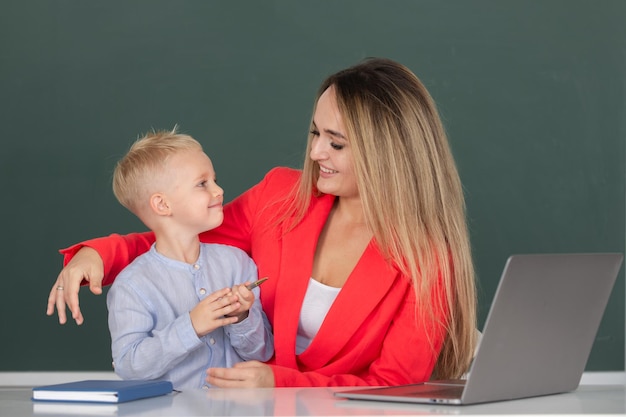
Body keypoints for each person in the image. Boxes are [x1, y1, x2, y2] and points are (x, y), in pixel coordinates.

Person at [47, 57, 477, 387]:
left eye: (336, 143)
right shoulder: (279, 196)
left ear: (388, 153)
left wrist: (282, 383)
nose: (314, 154)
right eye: (314, 134)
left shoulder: (429, 259)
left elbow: (392, 386)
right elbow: (179, 236)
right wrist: (99, 254)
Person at [102, 129, 273, 390]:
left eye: (215, 180)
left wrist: (243, 317)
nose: (219, 191)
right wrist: (191, 326)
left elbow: (262, 353)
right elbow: (129, 366)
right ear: (162, 205)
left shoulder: (237, 264)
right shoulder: (132, 285)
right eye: (202, 183)